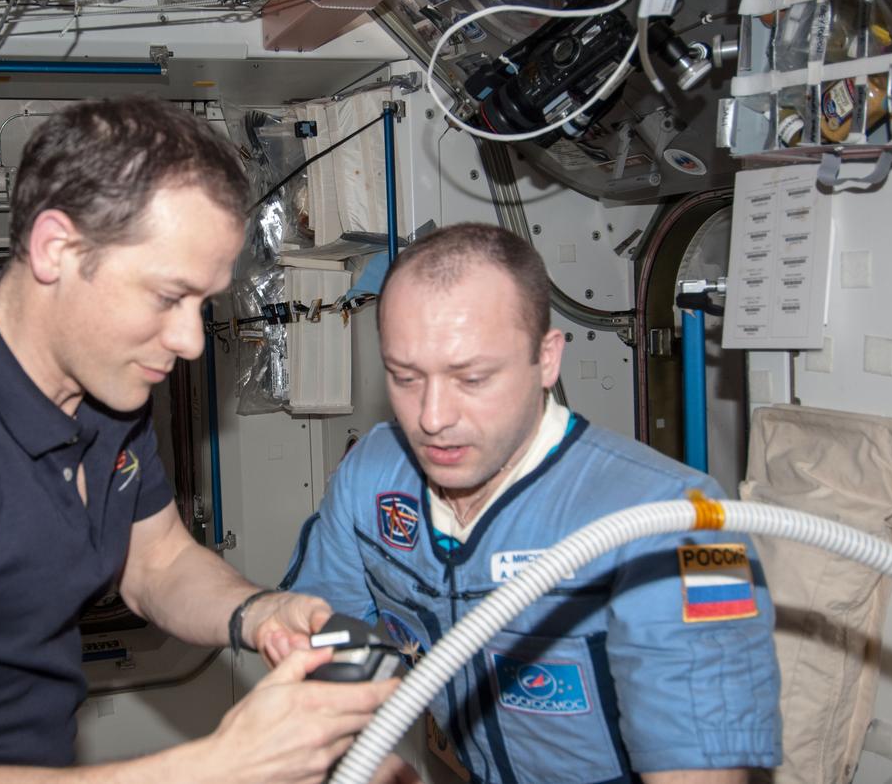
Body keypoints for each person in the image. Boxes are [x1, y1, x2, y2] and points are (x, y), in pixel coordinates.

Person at [0, 96, 396, 784]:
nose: (191, 342)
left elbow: (155, 561)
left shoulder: (106, 388)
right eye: (167, 297)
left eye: (203, 304)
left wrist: (256, 612)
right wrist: (217, 767)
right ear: (57, 250)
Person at [279, 223, 783, 784]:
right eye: (405, 377)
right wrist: (354, 752)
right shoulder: (373, 475)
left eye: (471, 378)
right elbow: (319, 629)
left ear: (546, 359)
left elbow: (698, 771)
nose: (432, 417)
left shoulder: (671, 520)